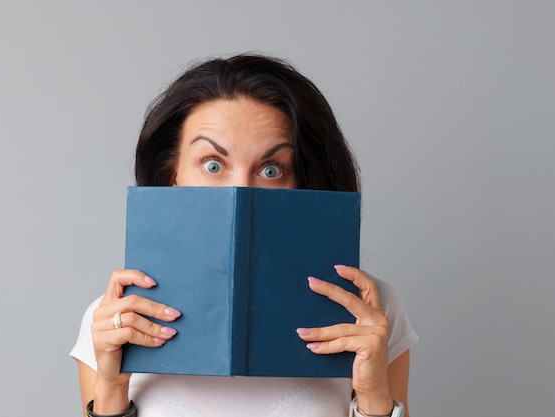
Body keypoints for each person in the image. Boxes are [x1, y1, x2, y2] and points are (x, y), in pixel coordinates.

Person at [71, 54, 418, 417]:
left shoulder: (368, 310)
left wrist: (374, 395)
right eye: (213, 165)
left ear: (301, 181)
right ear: (173, 173)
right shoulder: (113, 318)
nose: (240, 191)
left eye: (271, 169)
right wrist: (111, 389)